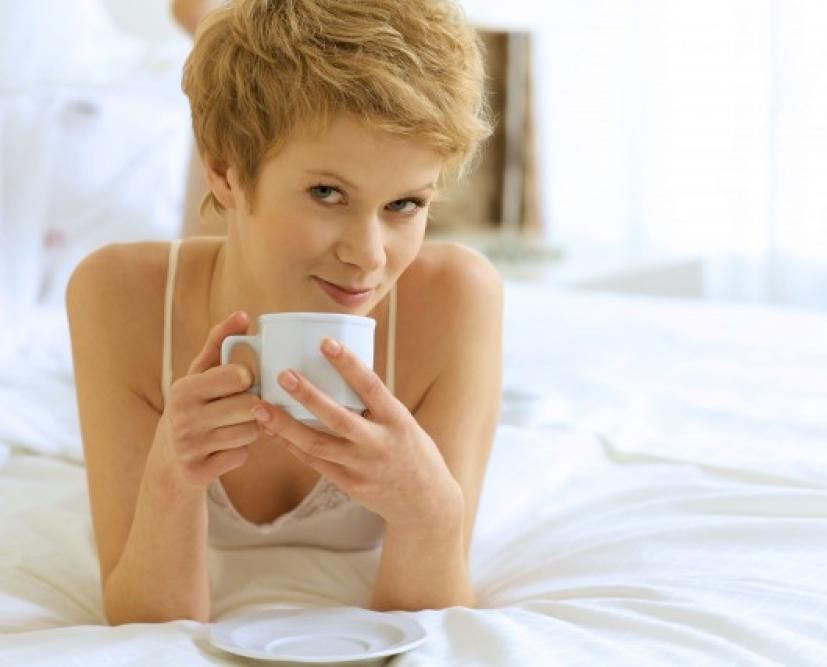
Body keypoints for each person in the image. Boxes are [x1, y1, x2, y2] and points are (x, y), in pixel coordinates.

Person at [66, 0, 501, 624]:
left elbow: (431, 623)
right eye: (327, 193)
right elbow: (145, 624)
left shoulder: (458, 298)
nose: (369, 256)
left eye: (404, 204)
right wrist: (172, 481)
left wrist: (428, 510)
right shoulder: (117, 296)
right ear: (223, 170)